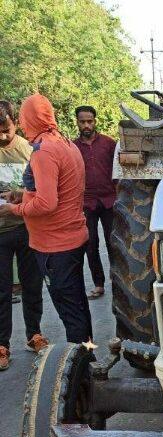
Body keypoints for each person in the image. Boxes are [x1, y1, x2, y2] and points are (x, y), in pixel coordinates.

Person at [0, 94, 92, 344]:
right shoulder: (65, 143)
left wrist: (13, 209)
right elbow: (58, 190)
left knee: (70, 311)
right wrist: (21, 195)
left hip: (56, 244)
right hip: (72, 237)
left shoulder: (43, 152)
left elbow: (46, 204)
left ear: (28, 119)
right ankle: (87, 355)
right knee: (77, 304)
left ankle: (79, 372)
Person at [0, 101, 45, 370]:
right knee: (1, 291)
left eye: (6, 128)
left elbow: (40, 187)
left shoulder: (29, 150)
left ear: (14, 122)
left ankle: (34, 335)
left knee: (32, 285)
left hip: (27, 229)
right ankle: (2, 344)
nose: (2, 135)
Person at [73, 106, 117, 300]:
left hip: (109, 201)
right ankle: (98, 284)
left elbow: (119, 170)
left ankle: (118, 282)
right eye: (82, 121)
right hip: (86, 203)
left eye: (90, 121)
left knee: (114, 243)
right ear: (77, 122)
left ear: (95, 121)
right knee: (91, 245)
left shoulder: (109, 144)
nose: (86, 125)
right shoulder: (72, 147)